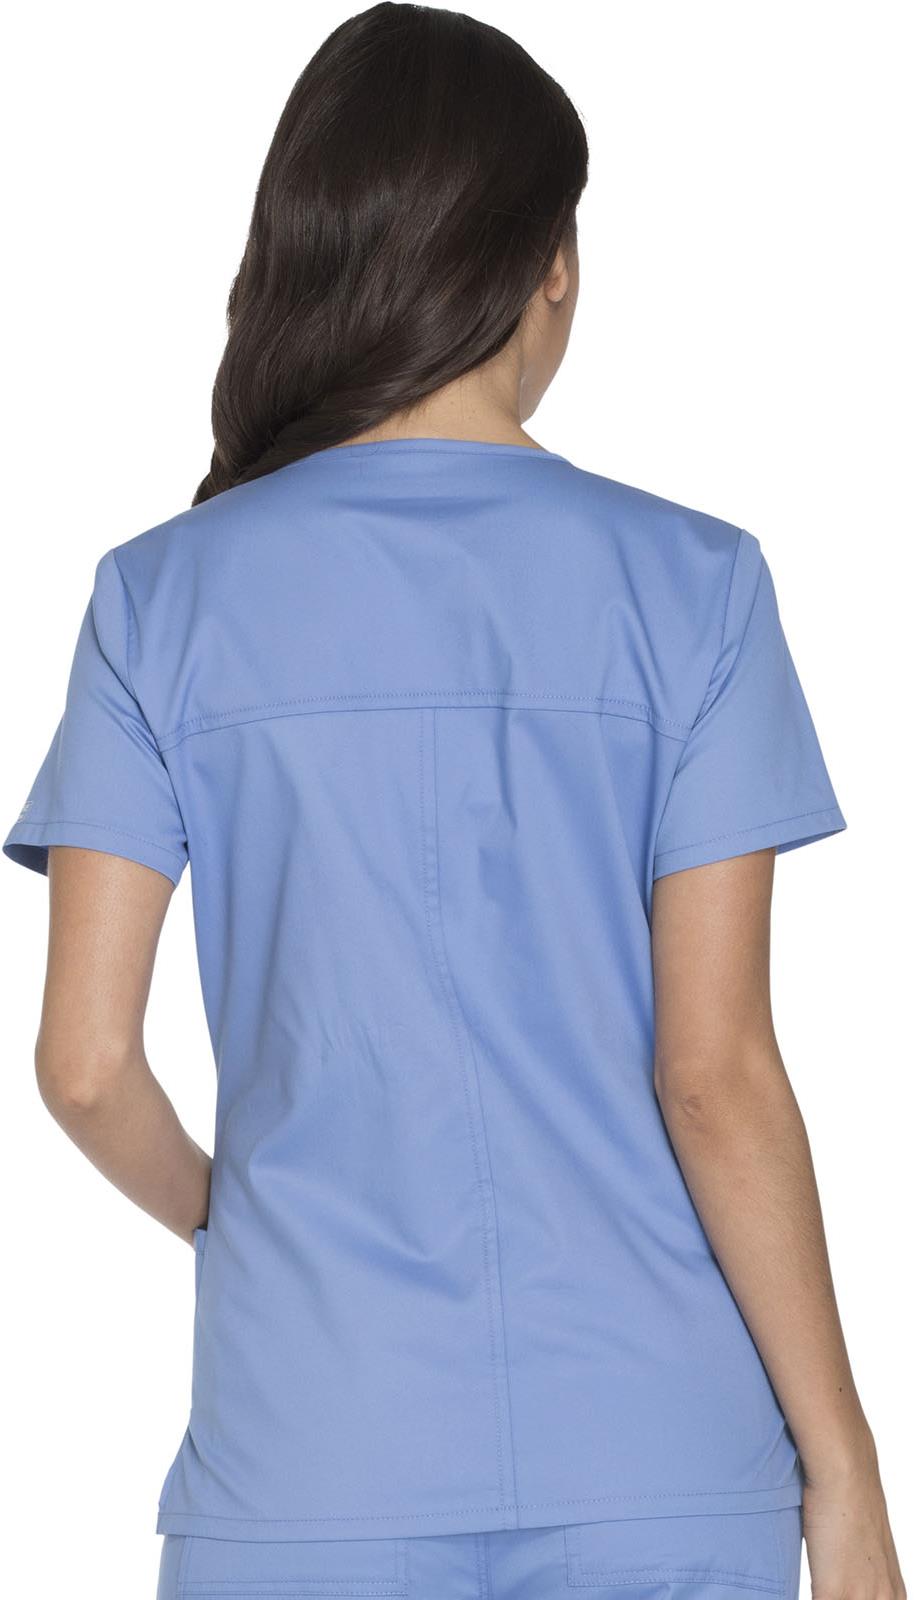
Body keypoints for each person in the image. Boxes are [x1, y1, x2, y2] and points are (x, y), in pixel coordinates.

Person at [3, 6, 906, 1600]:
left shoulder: (159, 599)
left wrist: (244, 1224)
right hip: (659, 1463)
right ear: (549, 261)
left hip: (306, 1466)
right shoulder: (697, 586)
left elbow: (83, 1069)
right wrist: (846, 1471)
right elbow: (715, 1075)